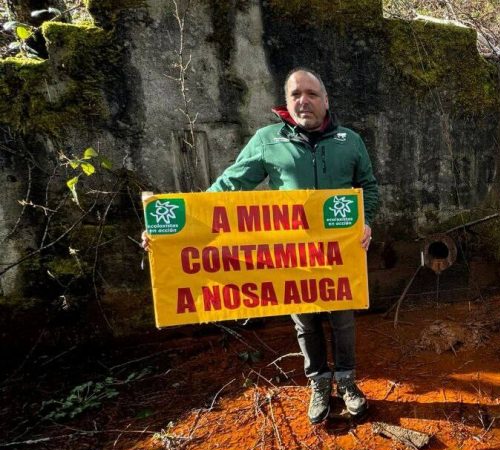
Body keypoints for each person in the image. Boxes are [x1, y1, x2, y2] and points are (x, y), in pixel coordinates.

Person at [146, 68, 379, 423]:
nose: (304, 100)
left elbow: (369, 187)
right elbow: (227, 188)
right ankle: (318, 383)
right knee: (306, 322)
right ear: (286, 102)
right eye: (296, 94)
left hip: (340, 254)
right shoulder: (267, 140)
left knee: (343, 320)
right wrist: (173, 232)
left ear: (326, 100)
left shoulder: (350, 140)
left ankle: (347, 382)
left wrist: (365, 220)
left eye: (312, 93)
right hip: (292, 255)